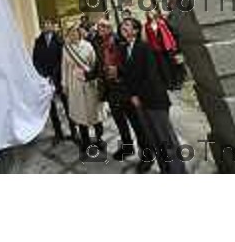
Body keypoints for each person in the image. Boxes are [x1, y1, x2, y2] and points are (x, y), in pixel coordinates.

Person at [119, 19, 186, 174]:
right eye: (122, 26)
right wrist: (132, 95)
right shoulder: (123, 50)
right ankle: (165, 170)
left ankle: (178, 171)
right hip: (139, 103)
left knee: (167, 139)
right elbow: (127, 77)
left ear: (136, 30)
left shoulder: (145, 47)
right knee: (154, 139)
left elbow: (151, 76)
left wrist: (137, 95)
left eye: (127, 25)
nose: (123, 27)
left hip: (154, 100)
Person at [90, 18, 151, 167]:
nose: (101, 29)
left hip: (126, 89)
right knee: (120, 123)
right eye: (99, 27)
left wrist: (119, 71)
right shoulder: (98, 44)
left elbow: (132, 66)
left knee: (138, 125)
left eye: (104, 26)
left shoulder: (121, 41)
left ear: (111, 28)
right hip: (111, 90)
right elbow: (99, 66)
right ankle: (127, 147)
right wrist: (87, 76)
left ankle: (147, 156)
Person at [33, 19, 77, 142]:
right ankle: (58, 133)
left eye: (49, 24)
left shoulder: (60, 41)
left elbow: (62, 59)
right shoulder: (38, 41)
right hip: (45, 80)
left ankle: (74, 131)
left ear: (53, 26)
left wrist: (53, 74)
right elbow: (35, 60)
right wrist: (42, 75)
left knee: (67, 106)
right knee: (51, 108)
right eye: (44, 24)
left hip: (59, 77)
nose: (46, 26)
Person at [61, 25, 103, 154]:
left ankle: (99, 138)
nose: (73, 35)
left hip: (89, 84)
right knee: (80, 114)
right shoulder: (66, 49)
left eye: (75, 32)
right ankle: (85, 141)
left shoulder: (88, 46)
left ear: (79, 33)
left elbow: (94, 63)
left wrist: (91, 77)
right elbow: (65, 68)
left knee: (95, 112)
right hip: (75, 85)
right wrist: (65, 85)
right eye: (70, 33)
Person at [144, 10, 182, 90]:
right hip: (157, 49)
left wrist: (173, 45)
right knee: (164, 67)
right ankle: (170, 84)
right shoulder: (147, 25)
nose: (150, 15)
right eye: (148, 13)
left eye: (151, 13)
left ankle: (177, 82)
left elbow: (168, 34)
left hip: (167, 46)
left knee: (173, 65)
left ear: (154, 14)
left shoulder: (161, 22)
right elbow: (148, 39)